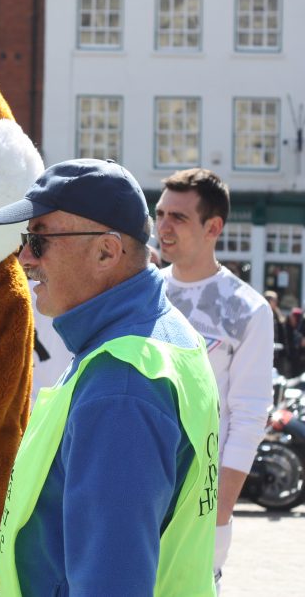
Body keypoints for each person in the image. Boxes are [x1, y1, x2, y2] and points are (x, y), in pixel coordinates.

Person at [0, 159, 219, 596]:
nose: (24, 257)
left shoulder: (121, 384)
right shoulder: (164, 334)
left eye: (39, 239)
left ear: (107, 252)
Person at [156, 167, 272, 585]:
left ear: (213, 227)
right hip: (133, 489)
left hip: (198, 504)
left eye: (178, 217)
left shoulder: (247, 309)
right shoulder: (143, 292)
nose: (163, 227)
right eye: (160, 214)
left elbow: (249, 415)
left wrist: (218, 510)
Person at [265, 290, 289, 377]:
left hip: (279, 352)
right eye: (274, 300)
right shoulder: (264, 313)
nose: (276, 302)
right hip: (269, 352)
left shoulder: (277, 314)